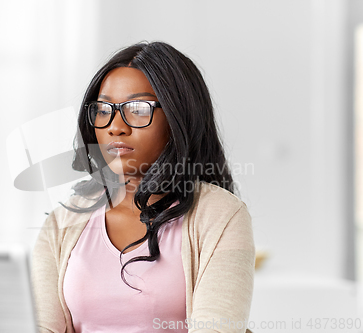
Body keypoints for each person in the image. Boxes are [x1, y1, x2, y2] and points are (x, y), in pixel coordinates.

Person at [31, 41, 255, 333]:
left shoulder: (221, 216)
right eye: (103, 109)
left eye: (137, 108)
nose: (115, 126)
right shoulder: (62, 222)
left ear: (178, 117)